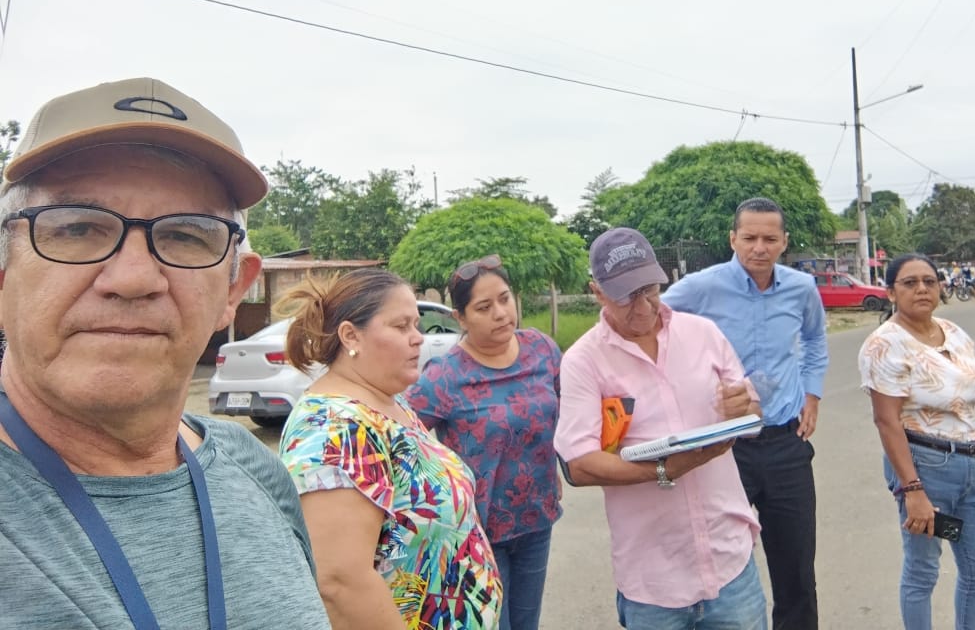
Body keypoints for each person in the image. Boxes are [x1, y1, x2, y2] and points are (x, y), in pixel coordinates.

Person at [0, 77, 331, 628]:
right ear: (4, 274)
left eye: (186, 235)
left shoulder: (254, 468)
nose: (133, 278)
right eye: (77, 227)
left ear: (232, 289)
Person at [554, 227, 768, 630]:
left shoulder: (702, 334)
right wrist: (664, 469)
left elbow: (752, 410)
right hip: (652, 580)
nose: (643, 307)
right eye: (626, 296)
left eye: (649, 290)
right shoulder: (584, 361)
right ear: (597, 293)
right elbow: (580, 464)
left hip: (729, 563)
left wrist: (744, 408)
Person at [278, 268, 502, 630]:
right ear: (351, 335)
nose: (418, 338)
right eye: (401, 326)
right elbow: (340, 582)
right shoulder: (335, 428)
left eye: (416, 325)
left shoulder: (386, 401)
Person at [662, 197, 826, 630]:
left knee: (796, 571)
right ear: (732, 238)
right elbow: (653, 325)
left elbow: (815, 340)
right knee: (717, 566)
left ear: (784, 242)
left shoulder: (801, 288)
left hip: (786, 442)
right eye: (749, 237)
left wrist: (812, 394)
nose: (759, 247)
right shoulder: (701, 288)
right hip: (724, 448)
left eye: (770, 239)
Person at [858, 254, 975, 630]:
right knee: (923, 571)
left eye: (929, 281)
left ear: (940, 287)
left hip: (967, 477)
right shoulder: (884, 345)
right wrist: (912, 491)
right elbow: (886, 421)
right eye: (910, 283)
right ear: (891, 292)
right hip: (925, 473)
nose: (921, 289)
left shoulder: (954, 333)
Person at [407, 255, 562, 630]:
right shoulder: (445, 376)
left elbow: (567, 413)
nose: (501, 313)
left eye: (505, 299)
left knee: (526, 623)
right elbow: (402, 439)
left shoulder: (542, 350)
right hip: (476, 533)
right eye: (484, 307)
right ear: (460, 318)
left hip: (537, 519)